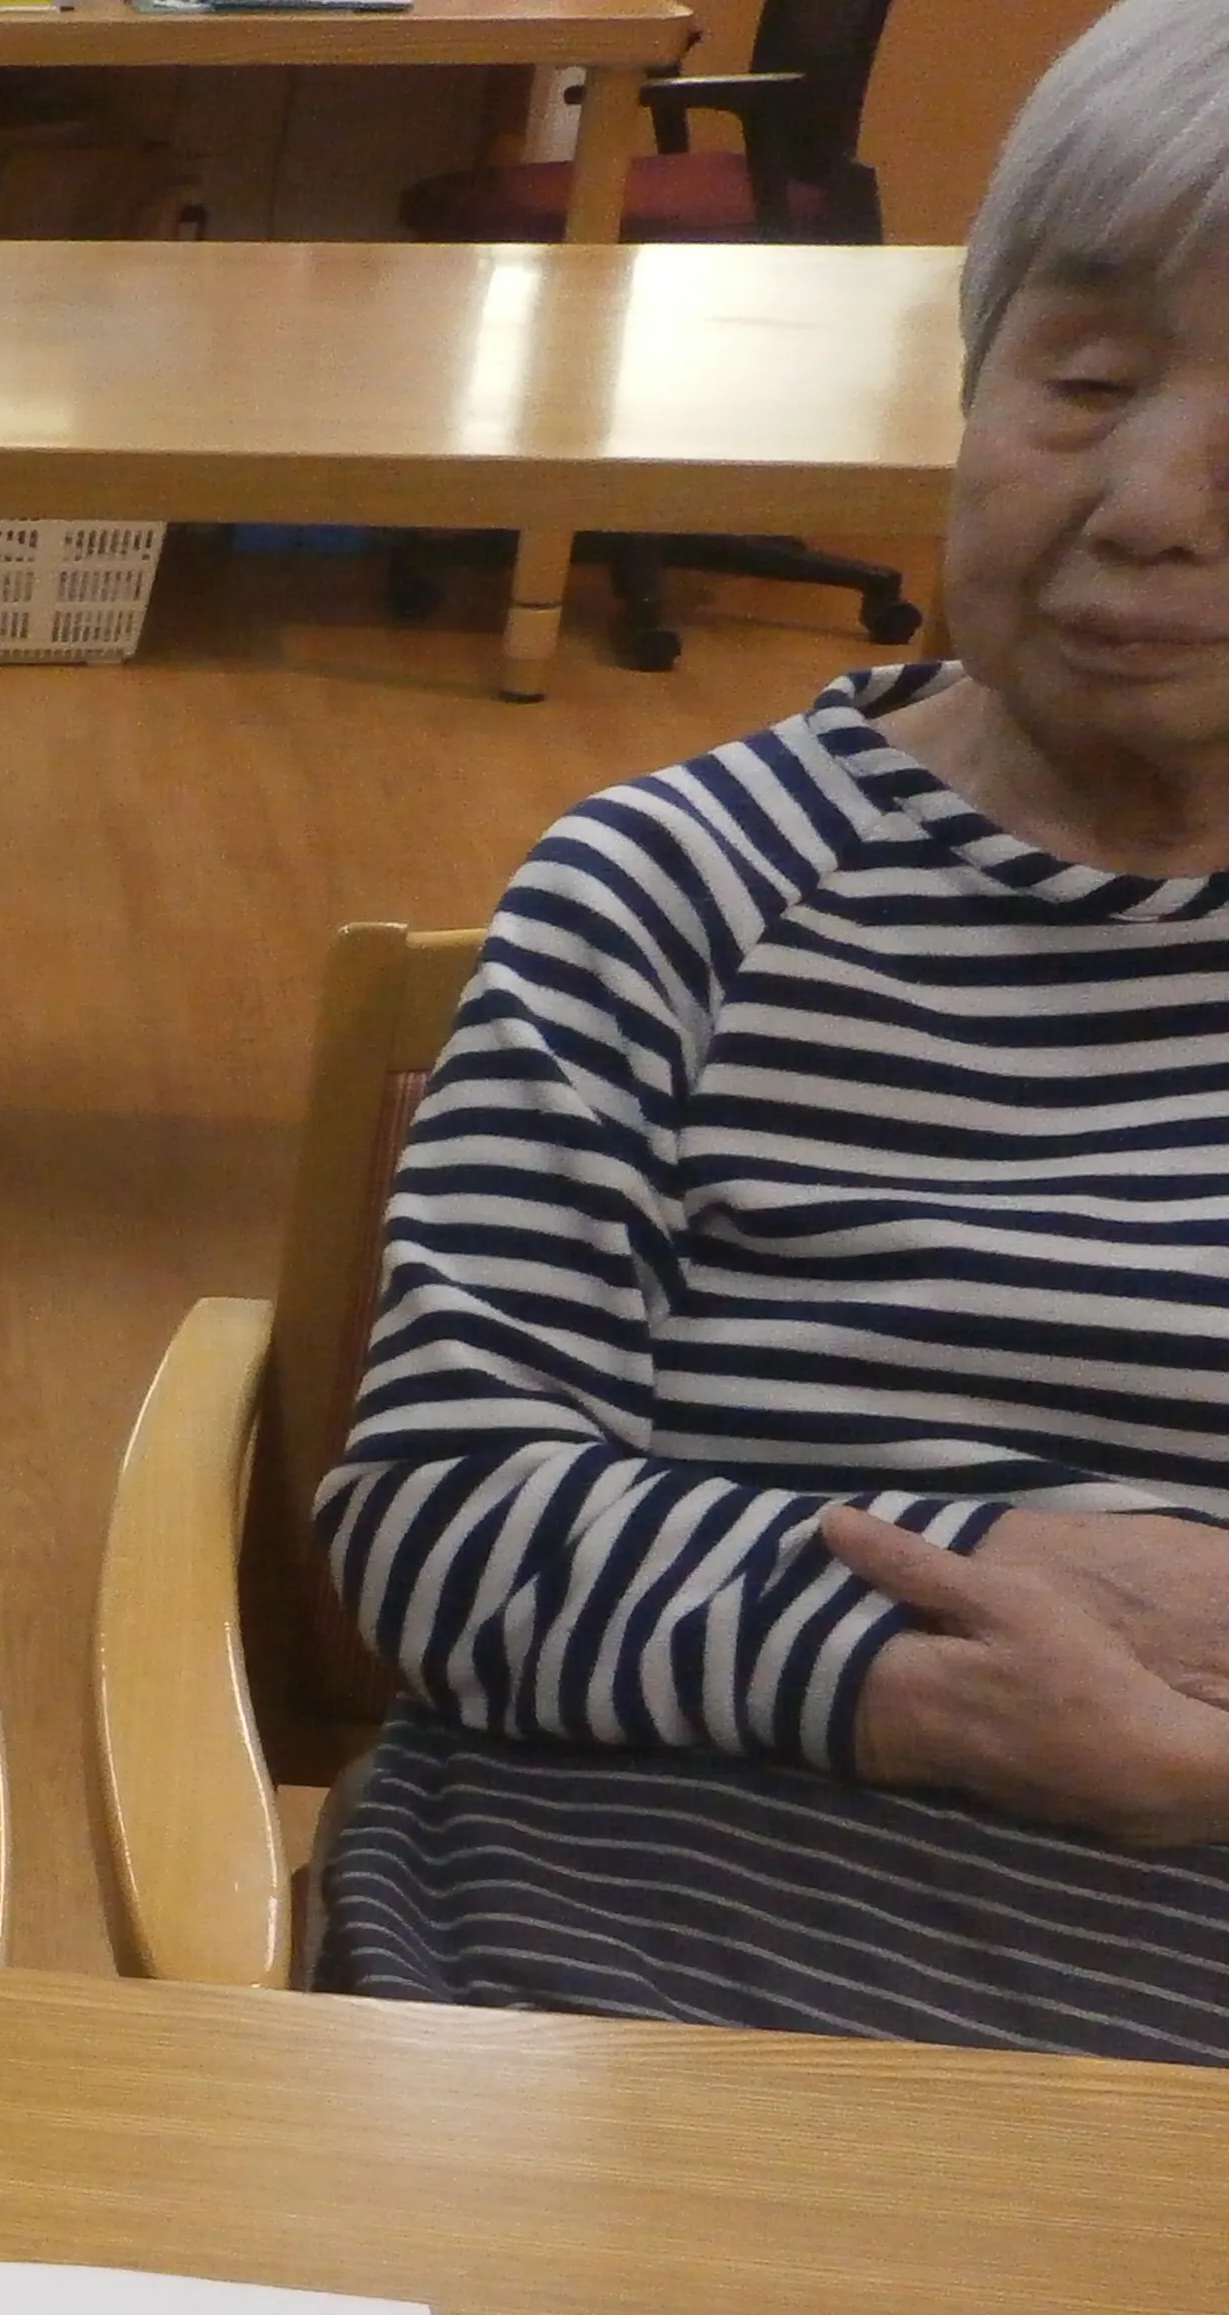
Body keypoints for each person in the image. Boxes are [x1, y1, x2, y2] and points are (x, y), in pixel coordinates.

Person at [314, 0, 1229, 2064]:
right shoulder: (680, 891)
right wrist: (974, 1645)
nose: (1156, 504)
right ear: (971, 382)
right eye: (1082, 381)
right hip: (611, 2011)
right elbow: (446, 1510)